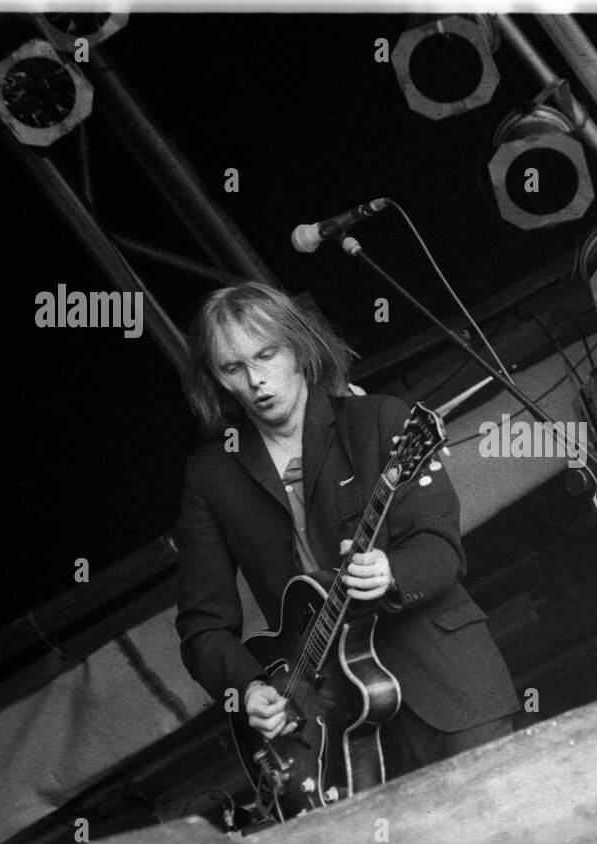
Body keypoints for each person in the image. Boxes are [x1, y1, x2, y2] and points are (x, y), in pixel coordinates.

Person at [174, 282, 518, 782]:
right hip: (331, 722)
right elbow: (203, 625)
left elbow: (440, 549)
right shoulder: (212, 474)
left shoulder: (378, 420)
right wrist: (249, 688)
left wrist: (390, 572)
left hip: (447, 682)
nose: (255, 381)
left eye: (266, 355)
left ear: (297, 346)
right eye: (232, 368)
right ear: (215, 377)